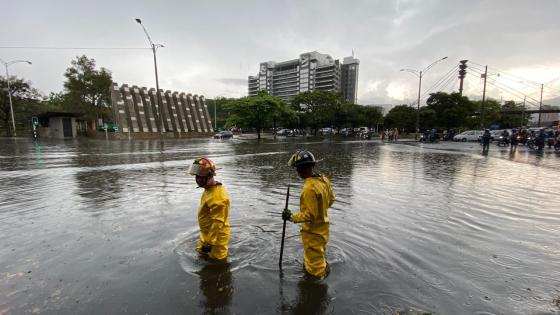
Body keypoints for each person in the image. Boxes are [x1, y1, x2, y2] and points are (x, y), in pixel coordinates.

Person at [282, 149, 335, 278]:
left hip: (313, 233)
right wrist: (321, 208)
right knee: (318, 255)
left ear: (300, 170)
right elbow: (331, 200)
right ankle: (320, 271)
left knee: (315, 268)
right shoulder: (324, 180)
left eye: (297, 169)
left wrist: (290, 217)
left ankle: (316, 285)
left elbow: (310, 216)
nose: (297, 172)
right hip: (323, 228)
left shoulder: (309, 188)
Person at [188, 157, 231, 260]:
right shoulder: (209, 189)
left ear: (210, 175)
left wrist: (209, 243)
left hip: (216, 237)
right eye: (197, 176)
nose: (198, 179)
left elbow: (218, 221)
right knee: (201, 254)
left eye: (201, 176)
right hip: (206, 233)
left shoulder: (218, 197)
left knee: (218, 261)